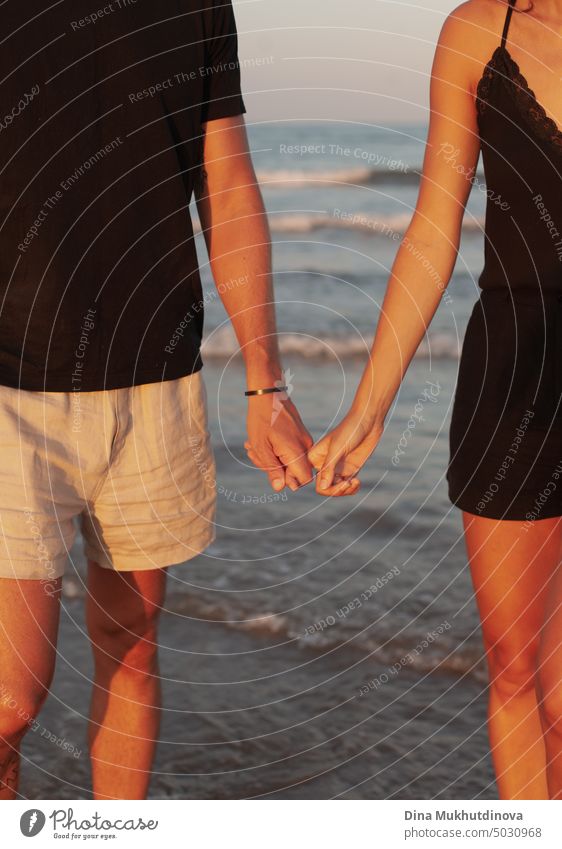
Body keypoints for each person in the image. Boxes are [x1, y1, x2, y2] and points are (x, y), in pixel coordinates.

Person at [0, 0, 313, 800]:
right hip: (12, 389)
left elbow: (227, 184)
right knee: (10, 702)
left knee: (130, 643)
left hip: (156, 378)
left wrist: (265, 380)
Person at [309, 0, 562, 800]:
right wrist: (370, 406)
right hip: (515, 373)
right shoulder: (473, 35)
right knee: (520, 671)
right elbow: (431, 230)